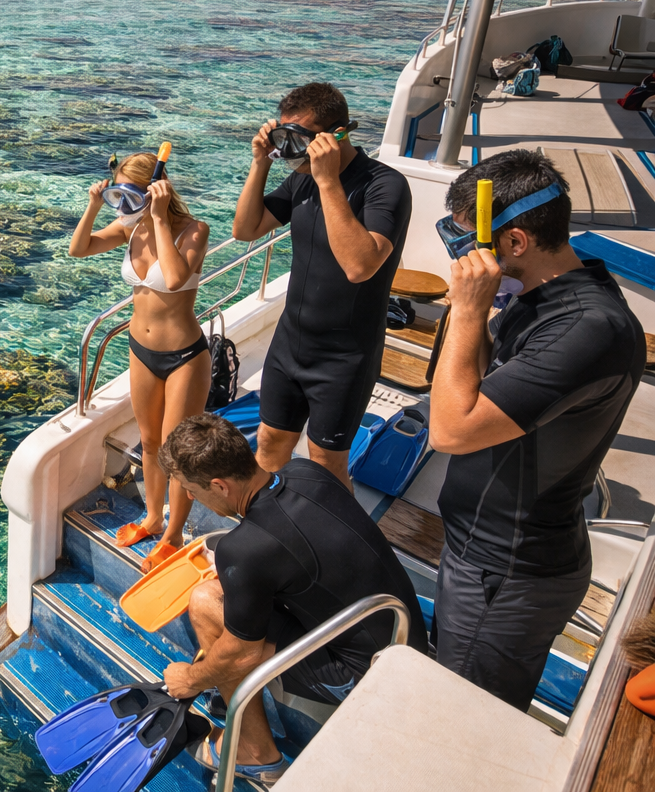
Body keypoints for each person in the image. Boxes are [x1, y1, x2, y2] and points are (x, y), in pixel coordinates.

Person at [429, 150, 644, 710]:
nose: (460, 259)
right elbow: (476, 385)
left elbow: (450, 430)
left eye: (466, 242)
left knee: (464, 717)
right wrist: (470, 312)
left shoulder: (585, 329)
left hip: (507, 573)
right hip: (487, 556)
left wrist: (470, 311)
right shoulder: (540, 298)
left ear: (517, 242)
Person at [157, 413, 428, 784]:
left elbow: (243, 652)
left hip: (366, 675)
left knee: (206, 603)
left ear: (219, 486)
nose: (189, 496)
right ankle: (232, 696)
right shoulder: (306, 473)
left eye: (191, 488)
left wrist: (190, 679)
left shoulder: (245, 549)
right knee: (230, 600)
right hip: (407, 636)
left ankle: (255, 754)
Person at [232, 82, 411, 487]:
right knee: (270, 444)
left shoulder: (384, 185)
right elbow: (245, 229)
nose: (289, 150)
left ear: (338, 134)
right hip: (290, 342)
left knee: (326, 464)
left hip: (344, 356)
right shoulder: (300, 179)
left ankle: (332, 546)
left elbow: (359, 267)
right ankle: (272, 532)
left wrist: (328, 181)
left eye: (298, 139)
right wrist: (261, 162)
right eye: (283, 137)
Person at [70, 149, 211, 565]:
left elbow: (173, 278)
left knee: (177, 451)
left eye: (133, 196)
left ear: (156, 191)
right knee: (149, 443)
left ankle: (173, 534)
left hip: (184, 356)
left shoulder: (194, 230)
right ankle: (151, 518)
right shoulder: (132, 227)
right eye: (119, 196)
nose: (125, 206)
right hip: (141, 350)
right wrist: (95, 206)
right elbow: (79, 249)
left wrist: (162, 218)